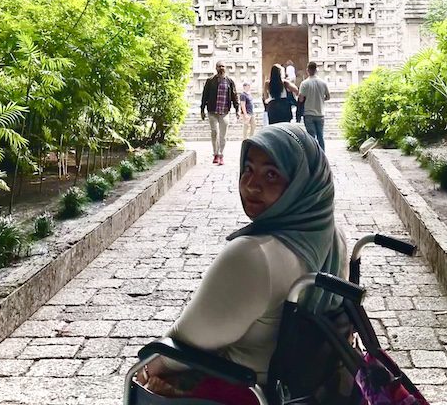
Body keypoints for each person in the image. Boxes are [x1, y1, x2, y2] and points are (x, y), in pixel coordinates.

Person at [138, 123, 345, 403]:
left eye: (271, 174)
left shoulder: (253, 257)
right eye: (248, 169)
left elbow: (185, 344)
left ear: (301, 184)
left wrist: (148, 369)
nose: (251, 185)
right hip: (309, 388)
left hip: (246, 390)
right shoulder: (333, 237)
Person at [201, 61, 239, 165]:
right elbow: (205, 95)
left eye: (222, 66)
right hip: (212, 111)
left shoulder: (229, 81)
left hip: (224, 111)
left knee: (223, 135)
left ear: (225, 68)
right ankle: (215, 154)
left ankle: (222, 154)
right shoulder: (210, 81)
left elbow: (234, 96)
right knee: (214, 132)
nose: (221, 68)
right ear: (216, 68)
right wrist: (202, 109)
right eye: (219, 66)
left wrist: (237, 109)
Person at [298, 61, 330, 151]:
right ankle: (322, 155)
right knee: (321, 137)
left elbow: (301, 99)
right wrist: (321, 99)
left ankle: (314, 155)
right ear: (316, 70)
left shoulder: (304, 83)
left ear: (307, 70)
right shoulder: (323, 83)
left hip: (308, 113)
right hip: (320, 113)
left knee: (311, 137)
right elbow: (328, 96)